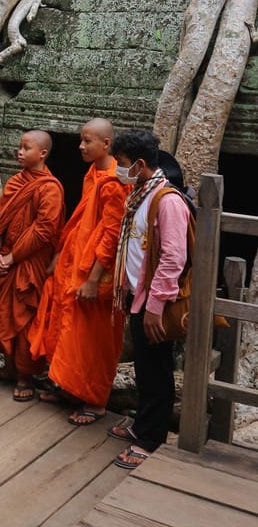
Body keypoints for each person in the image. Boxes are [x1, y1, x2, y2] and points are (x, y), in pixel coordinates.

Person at [28, 118, 130, 425]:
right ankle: (68, 388)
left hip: (96, 275)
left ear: (107, 144)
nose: (81, 146)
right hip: (75, 265)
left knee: (92, 341)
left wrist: (94, 278)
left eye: (87, 141)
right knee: (68, 332)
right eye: (81, 140)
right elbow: (80, 220)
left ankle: (95, 401)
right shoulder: (94, 174)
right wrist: (61, 255)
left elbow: (112, 236)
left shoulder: (114, 182)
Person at [106, 130, 192, 469]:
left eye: (122, 163)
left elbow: (173, 256)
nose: (118, 169)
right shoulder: (140, 194)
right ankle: (143, 424)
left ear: (140, 164)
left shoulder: (166, 200)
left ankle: (151, 438)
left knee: (157, 368)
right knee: (144, 365)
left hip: (156, 302)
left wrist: (156, 306)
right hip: (137, 297)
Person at [0, 130, 66, 401]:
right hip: (4, 257)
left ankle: (25, 374)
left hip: (28, 262)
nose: (19, 152)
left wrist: (13, 256)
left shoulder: (50, 188)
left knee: (24, 317)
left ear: (42, 154)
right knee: (0, 313)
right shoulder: (16, 181)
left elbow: (44, 230)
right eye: (19, 147)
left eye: (26, 148)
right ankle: (8, 367)